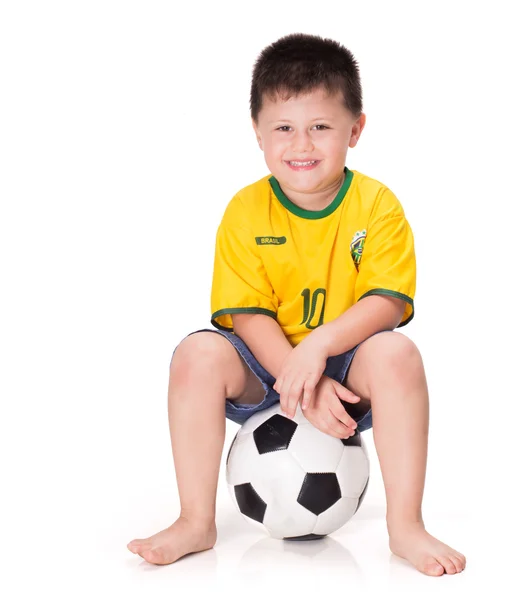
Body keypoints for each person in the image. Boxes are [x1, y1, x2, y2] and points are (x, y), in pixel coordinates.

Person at [127, 33, 466, 577]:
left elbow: (386, 300)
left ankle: (406, 525)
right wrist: (295, 373)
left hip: (347, 360)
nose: (301, 144)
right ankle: (195, 519)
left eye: (321, 127)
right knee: (196, 355)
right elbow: (247, 314)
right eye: (283, 128)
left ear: (355, 130)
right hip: (266, 361)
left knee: (399, 354)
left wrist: (319, 352)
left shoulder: (377, 205)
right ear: (257, 133)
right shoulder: (245, 211)